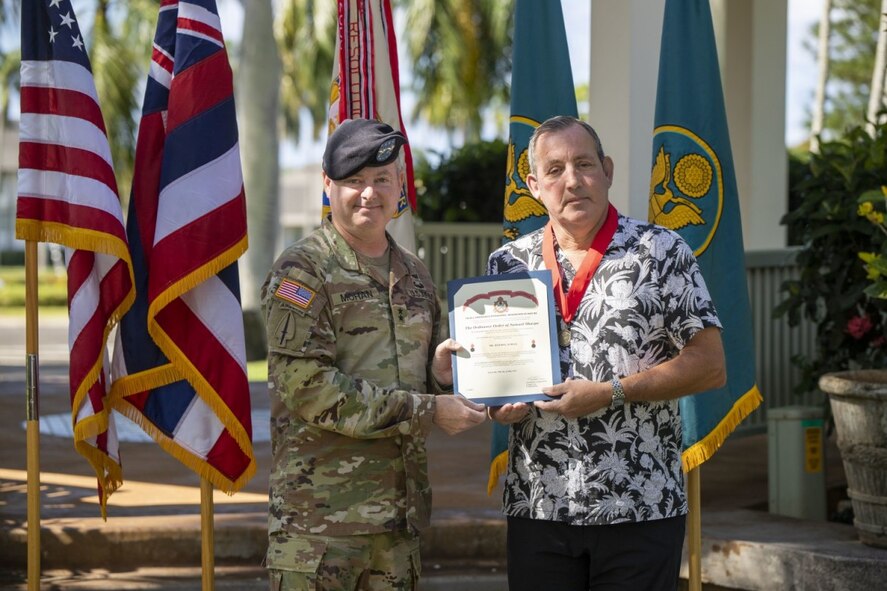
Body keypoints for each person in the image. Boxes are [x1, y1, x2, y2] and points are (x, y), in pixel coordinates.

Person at [487, 115, 727, 591]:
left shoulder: (661, 251)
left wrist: (610, 392)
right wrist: (500, 404)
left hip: (639, 504)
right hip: (539, 505)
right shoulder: (508, 264)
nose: (572, 180)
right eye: (554, 170)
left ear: (608, 170)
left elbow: (710, 365)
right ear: (535, 186)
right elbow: (497, 376)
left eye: (584, 164)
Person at [261, 118, 486, 590]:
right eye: (353, 181)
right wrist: (429, 408)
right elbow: (310, 389)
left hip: (397, 529)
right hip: (320, 531)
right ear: (328, 186)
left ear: (400, 184)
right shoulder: (302, 272)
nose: (369, 193)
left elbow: (418, 380)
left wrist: (441, 377)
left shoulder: (416, 275)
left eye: (381, 179)